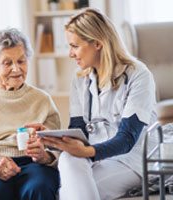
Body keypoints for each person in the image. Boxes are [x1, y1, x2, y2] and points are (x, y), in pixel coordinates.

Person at [30, 8, 158, 200]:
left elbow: (127, 140)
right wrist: (52, 138)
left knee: (67, 192)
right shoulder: (80, 79)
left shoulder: (138, 75)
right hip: (96, 158)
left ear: (97, 44)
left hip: (131, 160)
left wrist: (87, 152)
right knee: (68, 158)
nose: (70, 54)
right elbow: (78, 131)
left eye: (74, 46)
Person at [0, 28, 61, 200]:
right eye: (7, 63)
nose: (16, 69)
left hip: (32, 163)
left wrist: (45, 156)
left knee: (38, 189)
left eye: (21, 61)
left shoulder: (42, 99)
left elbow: (58, 147)